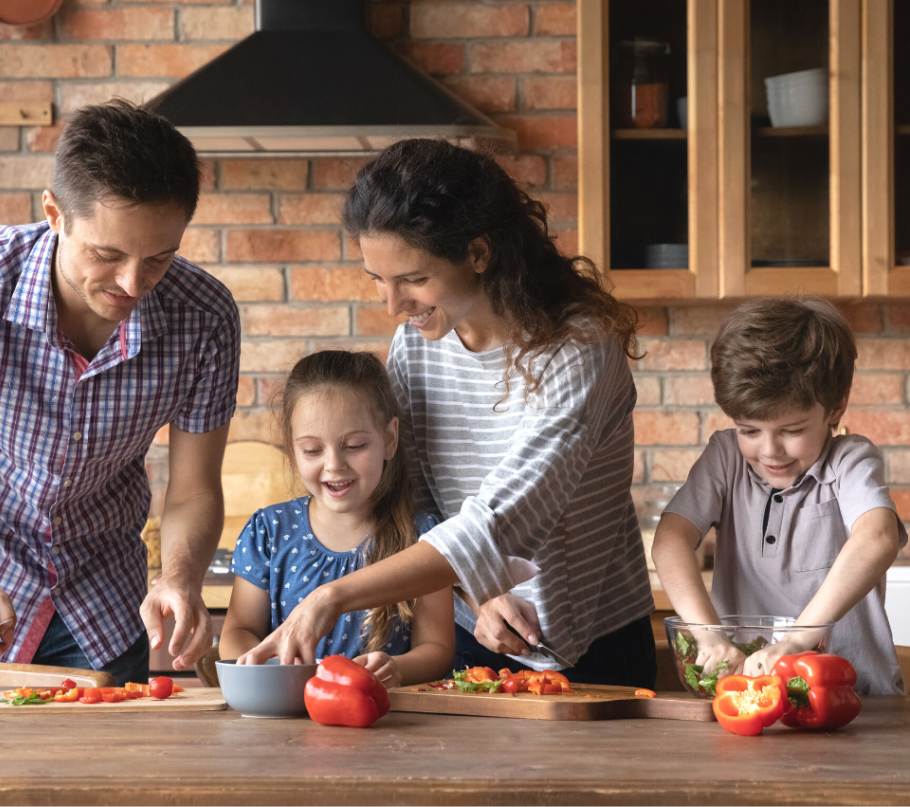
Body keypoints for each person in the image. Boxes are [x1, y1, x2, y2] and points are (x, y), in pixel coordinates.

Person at [239, 138, 657, 689]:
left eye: (413, 279)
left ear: (478, 254)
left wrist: (332, 595)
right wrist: (476, 592)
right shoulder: (418, 344)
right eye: (377, 280)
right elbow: (422, 499)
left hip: (594, 643)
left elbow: (504, 518)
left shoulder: (578, 347)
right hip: (473, 633)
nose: (393, 305)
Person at [0, 99, 240, 685]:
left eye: (159, 258)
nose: (132, 284)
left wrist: (179, 578)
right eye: (107, 255)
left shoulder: (204, 316)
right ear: (55, 213)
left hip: (100, 608)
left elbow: (194, 489)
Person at [652, 298, 906, 695]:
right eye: (749, 430)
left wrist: (795, 642)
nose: (770, 451)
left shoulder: (850, 461)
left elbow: (878, 537)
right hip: (749, 694)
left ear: (835, 407)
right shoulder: (725, 457)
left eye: (791, 430)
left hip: (856, 699)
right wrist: (708, 635)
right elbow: (671, 539)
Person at [221, 350, 454, 688]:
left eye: (355, 445)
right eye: (313, 450)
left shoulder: (424, 539)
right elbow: (238, 631)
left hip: (386, 722)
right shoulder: (268, 532)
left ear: (390, 439)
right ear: (292, 449)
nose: (334, 465)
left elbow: (438, 649)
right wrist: (274, 663)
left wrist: (396, 667)